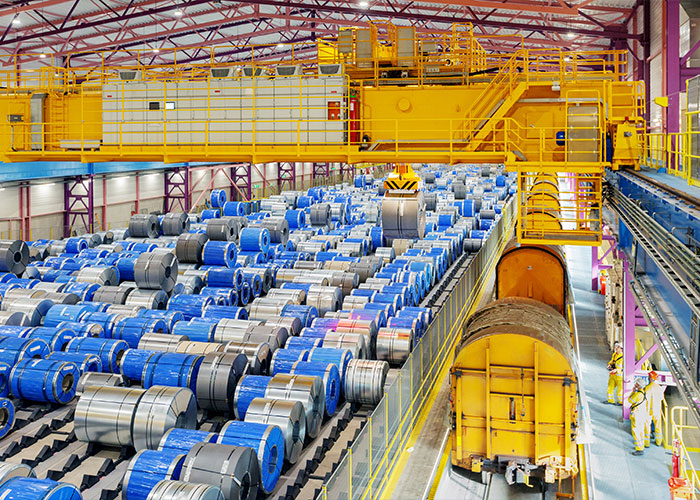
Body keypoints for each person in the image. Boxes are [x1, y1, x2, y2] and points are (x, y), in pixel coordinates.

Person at [644, 371, 664, 446]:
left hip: (647, 410)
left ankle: (646, 443)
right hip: (657, 410)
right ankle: (658, 442)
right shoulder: (659, 388)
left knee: (647, 426)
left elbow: (644, 399)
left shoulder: (647, 388)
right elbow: (661, 398)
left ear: (650, 378)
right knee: (658, 426)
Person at [629, 378, 648, 456]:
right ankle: (641, 446)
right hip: (641, 414)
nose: (635, 384)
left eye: (636, 384)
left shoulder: (638, 394)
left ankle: (639, 449)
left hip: (637, 415)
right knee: (640, 431)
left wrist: (633, 391)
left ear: (638, 385)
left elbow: (630, 400)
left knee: (636, 431)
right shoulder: (643, 393)